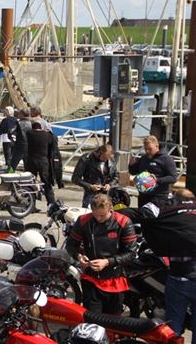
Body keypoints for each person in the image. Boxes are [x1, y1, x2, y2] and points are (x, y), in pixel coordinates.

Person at [137, 189, 196, 342]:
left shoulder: (170, 215)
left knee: (173, 326)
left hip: (179, 278)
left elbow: (146, 218)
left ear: (176, 200)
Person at [65, 194, 137, 314]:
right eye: (95, 214)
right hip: (91, 278)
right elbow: (71, 245)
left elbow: (131, 253)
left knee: (113, 322)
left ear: (111, 209)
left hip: (115, 279)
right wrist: (78, 256)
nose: (98, 218)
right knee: (93, 320)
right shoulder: (83, 221)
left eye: (102, 215)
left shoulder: (123, 222)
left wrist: (108, 262)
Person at [128, 135, 178, 207]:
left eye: (150, 149)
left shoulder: (166, 159)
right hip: (143, 196)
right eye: (145, 149)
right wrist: (131, 165)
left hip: (158, 197)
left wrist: (157, 180)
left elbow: (173, 178)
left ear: (157, 146)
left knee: (156, 218)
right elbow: (133, 172)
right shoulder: (144, 158)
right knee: (142, 217)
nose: (147, 151)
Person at [26, 122, 56, 205]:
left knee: (30, 182)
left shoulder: (29, 133)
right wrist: (47, 131)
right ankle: (51, 203)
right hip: (43, 161)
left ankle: (31, 204)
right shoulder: (46, 135)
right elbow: (53, 142)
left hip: (31, 160)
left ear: (33, 127)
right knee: (46, 182)